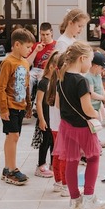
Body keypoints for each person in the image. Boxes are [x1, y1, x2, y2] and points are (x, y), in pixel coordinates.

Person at [54, 41, 105, 209]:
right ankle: (89, 198)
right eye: (90, 61)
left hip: (67, 126)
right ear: (82, 58)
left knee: (71, 161)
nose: (90, 64)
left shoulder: (61, 78)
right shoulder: (81, 81)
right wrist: (96, 115)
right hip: (83, 127)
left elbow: (57, 105)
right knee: (93, 158)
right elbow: (86, 108)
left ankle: (74, 200)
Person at [0, 28, 35, 185]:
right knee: (13, 136)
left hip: (20, 106)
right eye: (28, 47)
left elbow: (26, 84)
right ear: (17, 44)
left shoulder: (25, 62)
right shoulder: (8, 63)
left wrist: (27, 105)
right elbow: (1, 87)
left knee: (12, 137)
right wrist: (4, 109)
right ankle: (12, 170)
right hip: (10, 106)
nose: (30, 50)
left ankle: (7, 168)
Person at [46, 53, 68, 197]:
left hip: (54, 124)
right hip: (62, 124)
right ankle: (65, 185)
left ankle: (58, 182)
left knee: (57, 153)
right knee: (64, 155)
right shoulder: (61, 82)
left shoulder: (51, 81)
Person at [34, 51, 59, 179]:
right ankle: (41, 165)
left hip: (53, 118)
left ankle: (52, 164)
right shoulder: (44, 82)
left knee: (53, 141)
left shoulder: (55, 82)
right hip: (45, 117)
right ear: (51, 67)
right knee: (45, 142)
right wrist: (41, 119)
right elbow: (38, 102)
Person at [26, 22, 57, 101]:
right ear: (40, 33)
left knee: (42, 80)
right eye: (43, 35)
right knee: (27, 77)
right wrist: (36, 51)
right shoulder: (35, 45)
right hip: (35, 69)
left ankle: (38, 104)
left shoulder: (56, 45)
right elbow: (27, 64)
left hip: (48, 70)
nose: (45, 37)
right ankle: (27, 102)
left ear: (51, 33)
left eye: (47, 34)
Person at [85, 51, 105, 147]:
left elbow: (101, 87)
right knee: (92, 126)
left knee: (97, 125)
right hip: (91, 106)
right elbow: (91, 93)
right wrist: (102, 97)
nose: (103, 70)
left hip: (98, 105)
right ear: (95, 66)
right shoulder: (88, 77)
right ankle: (93, 143)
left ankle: (96, 141)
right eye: (102, 68)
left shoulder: (98, 75)